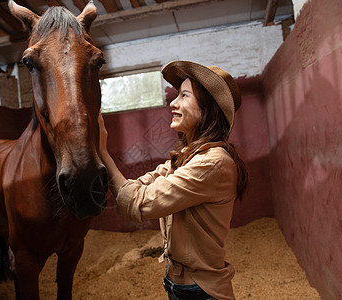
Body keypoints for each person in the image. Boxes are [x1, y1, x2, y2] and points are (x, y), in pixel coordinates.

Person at [98, 60, 248, 300]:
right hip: (178, 285)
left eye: (184, 96)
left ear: (207, 108)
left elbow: (139, 202)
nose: (173, 103)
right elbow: (141, 184)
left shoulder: (211, 163)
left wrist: (101, 150)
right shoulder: (188, 157)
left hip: (201, 292)